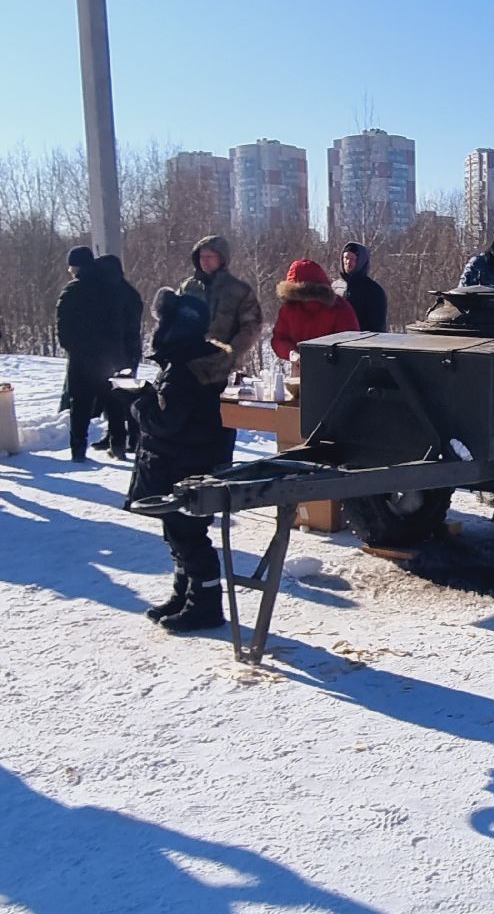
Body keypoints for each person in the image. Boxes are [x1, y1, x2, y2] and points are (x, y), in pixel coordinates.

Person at [126, 289, 236, 634]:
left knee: (187, 534)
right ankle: (185, 595)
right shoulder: (195, 363)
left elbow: (165, 420)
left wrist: (138, 400)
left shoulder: (181, 370)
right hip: (191, 459)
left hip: (180, 462)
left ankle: (204, 604)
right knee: (177, 531)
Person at [56, 246, 123, 461]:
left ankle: (78, 450)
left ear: (76, 266)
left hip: (81, 357)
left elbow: (63, 326)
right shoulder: (110, 288)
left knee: (80, 404)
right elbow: (118, 322)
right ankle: (118, 444)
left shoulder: (72, 291)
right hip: (106, 357)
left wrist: (72, 348)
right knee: (112, 402)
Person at [180, 235, 262, 385]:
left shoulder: (239, 290)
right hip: (186, 365)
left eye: (210, 256)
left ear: (222, 258)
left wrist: (228, 355)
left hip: (222, 371)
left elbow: (251, 328)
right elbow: (172, 321)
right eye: (201, 256)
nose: (205, 261)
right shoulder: (188, 288)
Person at [89, 254, 144, 459]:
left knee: (125, 396)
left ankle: (134, 437)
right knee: (113, 396)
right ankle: (114, 434)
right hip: (120, 351)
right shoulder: (124, 291)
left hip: (123, 351)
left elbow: (126, 325)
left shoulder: (121, 294)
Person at [270, 259, 360, 359]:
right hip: (333, 369)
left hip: (310, 368)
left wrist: (291, 353)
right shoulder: (340, 306)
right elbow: (352, 343)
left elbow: (279, 339)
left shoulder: (289, 308)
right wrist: (291, 353)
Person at [339, 243, 388, 332]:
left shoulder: (373, 291)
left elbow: (378, 327)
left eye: (353, 259)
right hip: (334, 342)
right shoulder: (335, 287)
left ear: (360, 261)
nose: (348, 262)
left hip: (360, 342)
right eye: (346, 258)